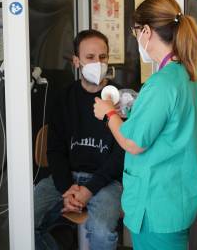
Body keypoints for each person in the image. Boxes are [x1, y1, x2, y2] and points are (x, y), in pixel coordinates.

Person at [93, 0, 197, 250]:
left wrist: (109, 113)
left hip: (156, 202)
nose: (137, 40)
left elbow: (132, 143)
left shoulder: (162, 82)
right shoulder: (190, 74)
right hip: (176, 196)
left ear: (146, 31)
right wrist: (134, 108)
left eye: (136, 32)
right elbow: (171, 125)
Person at [34, 29, 124, 250]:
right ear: (76, 61)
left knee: (102, 232)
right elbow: (54, 150)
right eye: (90, 58)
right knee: (20, 223)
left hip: (107, 182)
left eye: (102, 57)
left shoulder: (122, 100)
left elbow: (121, 154)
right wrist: (67, 189)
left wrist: (88, 189)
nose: (98, 63)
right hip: (65, 179)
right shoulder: (63, 98)